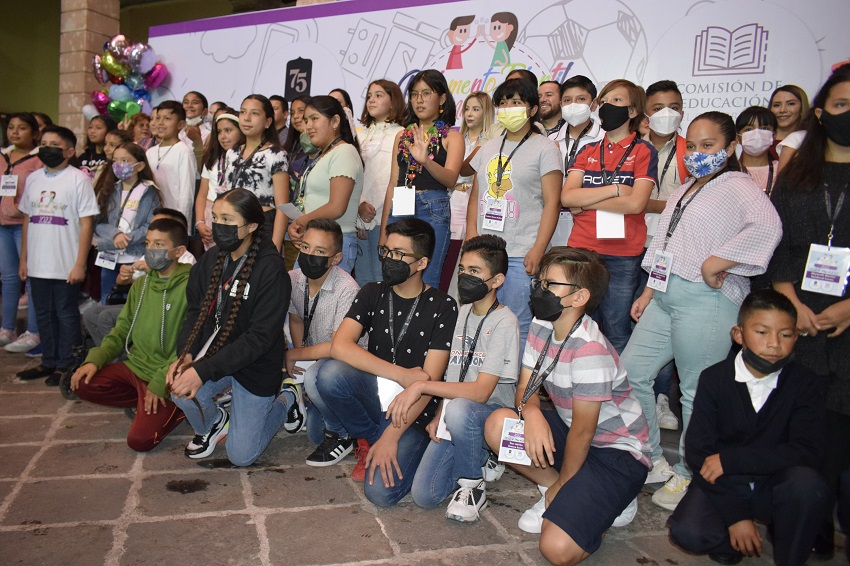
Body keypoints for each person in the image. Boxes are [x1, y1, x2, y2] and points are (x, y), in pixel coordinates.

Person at [621, 111, 782, 511]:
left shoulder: (739, 185)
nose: (697, 153)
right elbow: (668, 242)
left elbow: (768, 228)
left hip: (707, 298)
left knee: (695, 391)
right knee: (632, 371)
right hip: (665, 295)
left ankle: (691, 472)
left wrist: (718, 262)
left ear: (730, 147)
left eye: (708, 145)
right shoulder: (686, 188)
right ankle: (652, 456)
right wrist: (649, 290)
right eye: (691, 146)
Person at [484, 247, 651, 565]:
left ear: (580, 297)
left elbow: (584, 433)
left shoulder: (589, 350)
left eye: (551, 284)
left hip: (616, 453)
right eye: (540, 282)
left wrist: (564, 485)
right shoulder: (541, 324)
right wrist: (531, 412)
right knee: (497, 426)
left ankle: (604, 499)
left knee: (557, 549)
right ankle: (556, 488)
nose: (540, 290)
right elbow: (525, 390)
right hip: (575, 433)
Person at [667, 289, 830, 566]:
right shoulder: (715, 379)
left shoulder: (805, 383)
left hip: (775, 481)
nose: (774, 344)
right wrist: (736, 517)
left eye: (785, 334)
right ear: (739, 335)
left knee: (807, 486)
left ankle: (789, 551)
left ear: (796, 336)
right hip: (725, 482)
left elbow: (807, 451)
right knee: (688, 531)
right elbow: (698, 451)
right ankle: (732, 542)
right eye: (762, 332)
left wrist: (731, 460)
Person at [312, 218, 458, 503]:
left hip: (413, 411)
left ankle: (400, 445)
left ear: (421, 263)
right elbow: (340, 346)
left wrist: (392, 437)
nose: (389, 259)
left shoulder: (443, 306)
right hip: (375, 395)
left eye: (399, 254)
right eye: (387, 251)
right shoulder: (372, 292)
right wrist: (400, 374)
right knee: (328, 373)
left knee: (379, 493)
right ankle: (370, 438)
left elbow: (428, 383)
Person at [767, 63, 850, 559]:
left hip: (846, 317)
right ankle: (806, 519)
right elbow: (776, 241)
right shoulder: (798, 173)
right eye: (841, 105)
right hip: (797, 311)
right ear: (820, 113)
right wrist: (790, 303)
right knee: (801, 423)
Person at [168, 189, 297, 466]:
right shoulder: (211, 259)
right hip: (217, 356)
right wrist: (186, 355)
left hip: (255, 365)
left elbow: (259, 339)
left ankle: (287, 400)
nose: (218, 226)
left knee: (241, 456)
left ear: (251, 226)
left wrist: (202, 371)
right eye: (215, 217)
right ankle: (215, 422)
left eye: (227, 219)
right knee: (179, 388)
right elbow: (195, 313)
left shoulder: (271, 269)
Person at [402, 235, 519, 522]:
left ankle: (472, 484)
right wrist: (439, 416)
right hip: (458, 413)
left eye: (475, 271)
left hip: (492, 413)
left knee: (461, 408)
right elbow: (455, 372)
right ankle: (480, 453)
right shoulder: (462, 311)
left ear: (497, 280)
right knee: (425, 494)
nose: (465, 277)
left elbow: (480, 393)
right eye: (463, 269)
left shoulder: (505, 322)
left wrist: (422, 385)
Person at [71, 218, 192, 451]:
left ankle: (179, 408)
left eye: (159, 244)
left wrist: (161, 382)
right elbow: (122, 329)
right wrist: (95, 359)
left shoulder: (191, 285)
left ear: (178, 251)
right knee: (82, 383)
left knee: (140, 441)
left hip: (168, 374)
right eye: (148, 243)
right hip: (136, 367)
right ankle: (142, 399)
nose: (150, 250)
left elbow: (190, 344)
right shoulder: (141, 284)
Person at [561, 79, 659, 354]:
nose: (607, 106)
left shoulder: (643, 151)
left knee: (617, 328)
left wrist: (587, 201)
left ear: (632, 111)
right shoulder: (588, 150)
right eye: (603, 101)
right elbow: (567, 198)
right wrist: (616, 190)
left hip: (622, 254)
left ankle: (616, 382)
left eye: (616, 101)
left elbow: (636, 204)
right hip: (582, 250)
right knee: (577, 325)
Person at [467, 78, 563, 352]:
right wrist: (471, 235)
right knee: (482, 317)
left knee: (518, 323)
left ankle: (513, 379)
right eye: (503, 102)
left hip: (521, 252)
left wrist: (539, 248)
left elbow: (552, 203)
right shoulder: (489, 146)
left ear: (532, 109)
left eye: (517, 102)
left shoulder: (545, 148)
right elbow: (476, 195)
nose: (508, 108)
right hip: (485, 250)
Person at [15, 126, 99, 385]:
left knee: (65, 312)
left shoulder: (78, 179)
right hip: (38, 262)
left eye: (54, 144)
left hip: (66, 262)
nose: (47, 148)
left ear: (70, 151)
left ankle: (67, 363)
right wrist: (24, 259)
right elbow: (27, 218)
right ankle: (49, 361)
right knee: (43, 313)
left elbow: (87, 223)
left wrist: (80, 264)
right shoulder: (34, 179)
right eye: (44, 143)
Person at [379, 69, 464, 290]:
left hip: (433, 208)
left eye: (426, 93)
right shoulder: (402, 136)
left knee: (428, 279)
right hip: (400, 207)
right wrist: (383, 231)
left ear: (442, 98)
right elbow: (393, 183)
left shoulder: (452, 137)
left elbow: (450, 179)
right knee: (394, 277)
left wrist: (425, 161)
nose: (419, 100)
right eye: (415, 94)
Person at [286, 219, 363, 459]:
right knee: (314, 434)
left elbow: (338, 348)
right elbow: (296, 318)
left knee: (315, 378)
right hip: (317, 358)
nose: (310, 255)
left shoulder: (347, 289)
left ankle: (342, 435)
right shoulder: (293, 278)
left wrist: (296, 354)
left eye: (320, 252)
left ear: (336, 258)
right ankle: (297, 396)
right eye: (305, 247)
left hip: (347, 367)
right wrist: (300, 354)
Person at [641, 80, 689, 431]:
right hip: (629, 244)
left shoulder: (691, 150)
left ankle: (660, 397)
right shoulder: (631, 146)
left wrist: (641, 202)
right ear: (646, 113)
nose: (666, 114)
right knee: (628, 320)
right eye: (658, 108)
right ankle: (632, 392)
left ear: (682, 111)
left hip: (671, 249)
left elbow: (688, 202)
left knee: (663, 321)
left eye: (673, 107)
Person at [82, 208, 196, 348]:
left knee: (106, 317)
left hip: (160, 310)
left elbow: (177, 286)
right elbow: (122, 282)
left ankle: (120, 355)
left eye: (160, 224)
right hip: (140, 303)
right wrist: (125, 275)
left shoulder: (187, 259)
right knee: (90, 314)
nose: (150, 247)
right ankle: (110, 354)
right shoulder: (148, 254)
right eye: (148, 242)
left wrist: (150, 269)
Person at [287, 95, 363, 274]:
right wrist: (297, 225)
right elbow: (316, 202)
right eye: (306, 120)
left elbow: (336, 207)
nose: (308, 126)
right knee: (300, 292)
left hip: (335, 242)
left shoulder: (344, 152)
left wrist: (301, 221)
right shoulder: (323, 155)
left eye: (314, 118)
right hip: (314, 240)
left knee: (326, 294)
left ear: (335, 121)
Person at [93, 142, 162, 304]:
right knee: (106, 300)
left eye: (125, 161)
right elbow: (98, 223)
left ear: (140, 166)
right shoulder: (109, 189)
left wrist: (126, 239)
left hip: (134, 257)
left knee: (132, 302)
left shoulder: (149, 191)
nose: (119, 165)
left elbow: (150, 226)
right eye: (115, 161)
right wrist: (115, 235)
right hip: (109, 256)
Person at [442, 91, 495, 296]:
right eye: (467, 109)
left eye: (476, 109)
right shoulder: (455, 138)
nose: (469, 114)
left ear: (487, 112)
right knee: (450, 253)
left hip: (477, 202)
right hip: (453, 200)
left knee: (471, 254)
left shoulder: (492, 141)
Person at [355, 80, 406, 285]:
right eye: (369, 96)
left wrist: (388, 217)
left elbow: (396, 178)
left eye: (378, 95)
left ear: (393, 101)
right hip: (361, 214)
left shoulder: (402, 134)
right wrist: (359, 207)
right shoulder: (359, 136)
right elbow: (354, 175)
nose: (371, 100)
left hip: (387, 215)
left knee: (383, 277)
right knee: (362, 280)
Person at [224, 94, 289, 250]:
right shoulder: (231, 153)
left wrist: (275, 247)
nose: (246, 118)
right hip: (233, 224)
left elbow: (283, 207)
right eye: (243, 112)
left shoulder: (276, 154)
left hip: (262, 225)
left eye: (254, 113)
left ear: (267, 122)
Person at [1, 113, 42, 355]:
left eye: (22, 128)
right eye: (11, 127)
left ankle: (34, 331)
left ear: (35, 133)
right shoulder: (3, 156)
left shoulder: (38, 159)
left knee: (31, 278)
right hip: (2, 224)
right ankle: (7, 328)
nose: (15, 132)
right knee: (8, 278)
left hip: (26, 224)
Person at [551, 75, 604, 248]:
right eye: (567, 100)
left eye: (581, 99)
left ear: (593, 104)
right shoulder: (549, 141)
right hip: (554, 224)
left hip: (591, 225)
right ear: (561, 104)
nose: (573, 105)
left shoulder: (605, 139)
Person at [195, 109, 243, 250]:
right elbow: (202, 194)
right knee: (213, 257)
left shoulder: (246, 161)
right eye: (219, 132)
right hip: (211, 215)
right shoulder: (212, 159)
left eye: (228, 130)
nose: (223, 136)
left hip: (235, 215)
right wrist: (200, 222)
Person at [146, 101, 197, 229]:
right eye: (158, 118)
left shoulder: (183, 151)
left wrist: (182, 224)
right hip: (151, 217)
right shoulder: (150, 152)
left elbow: (186, 193)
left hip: (174, 219)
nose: (160, 123)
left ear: (180, 124)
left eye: (167, 118)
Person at [736, 106, 779, 195]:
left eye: (764, 128)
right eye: (749, 129)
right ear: (738, 137)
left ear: (774, 135)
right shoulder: (731, 171)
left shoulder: (782, 170)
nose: (757, 134)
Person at [769, 85, 810, 158]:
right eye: (776, 105)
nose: (782, 110)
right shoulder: (760, 140)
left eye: (790, 104)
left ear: (802, 107)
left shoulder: (810, 140)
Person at [79, 115, 117, 180]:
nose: (92, 131)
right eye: (90, 127)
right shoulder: (84, 156)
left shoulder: (113, 157)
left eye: (98, 128)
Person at [180, 90, 211, 171]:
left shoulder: (209, 136)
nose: (189, 106)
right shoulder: (177, 133)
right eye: (186, 102)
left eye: (195, 102)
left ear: (205, 111)